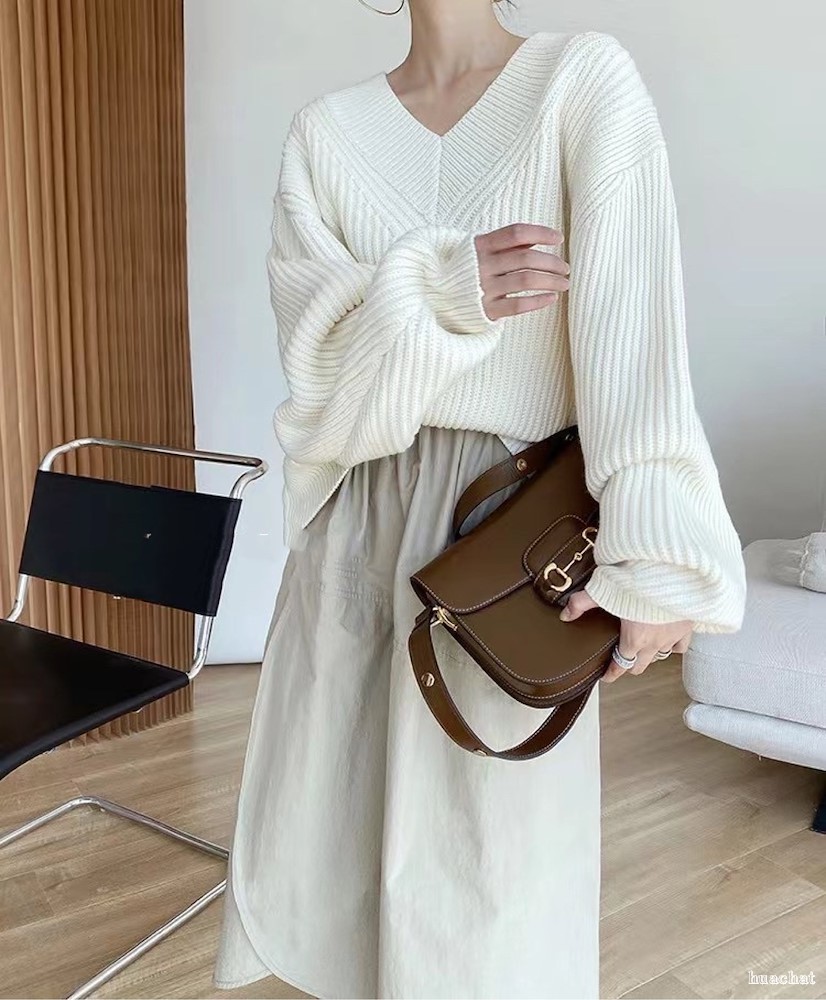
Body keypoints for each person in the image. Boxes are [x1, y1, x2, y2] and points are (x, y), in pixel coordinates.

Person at [214, 1, 747, 997]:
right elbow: (317, 367)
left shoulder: (579, 80)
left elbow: (634, 331)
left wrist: (656, 554)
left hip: (505, 525)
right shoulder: (326, 133)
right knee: (337, 824)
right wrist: (441, 289)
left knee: (490, 857)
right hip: (360, 513)